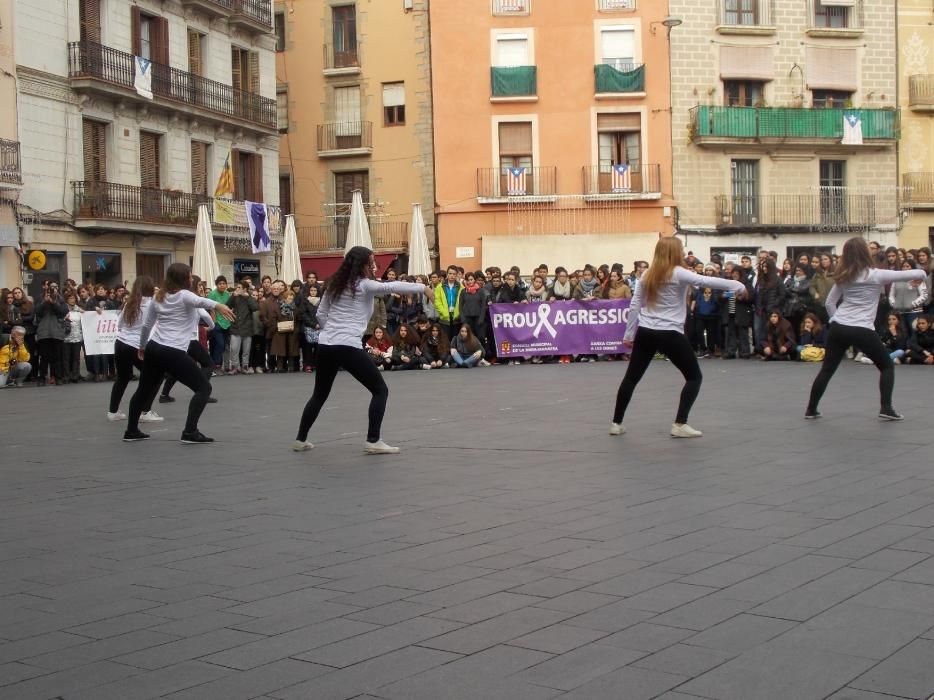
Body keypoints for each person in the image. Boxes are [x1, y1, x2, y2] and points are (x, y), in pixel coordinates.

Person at [293, 246, 429, 454]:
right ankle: (373, 440)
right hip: (347, 345)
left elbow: (321, 313)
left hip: (326, 344)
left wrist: (330, 330)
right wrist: (422, 288)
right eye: (371, 262)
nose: (374, 266)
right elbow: (391, 286)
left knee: (319, 394)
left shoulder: (333, 284)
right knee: (380, 390)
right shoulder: (364, 285)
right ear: (362, 265)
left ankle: (300, 439)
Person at [611, 237, 746, 438]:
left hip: (646, 331)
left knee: (631, 378)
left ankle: (616, 423)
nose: (683, 253)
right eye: (681, 249)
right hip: (670, 333)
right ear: (674, 252)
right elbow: (706, 281)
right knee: (694, 377)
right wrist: (737, 285)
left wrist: (629, 334)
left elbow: (635, 305)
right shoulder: (679, 273)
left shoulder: (647, 274)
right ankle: (680, 423)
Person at [805, 237, 927, 421]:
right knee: (886, 366)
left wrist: (836, 319)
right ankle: (886, 407)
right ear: (865, 253)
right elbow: (918, 273)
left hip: (839, 326)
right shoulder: (876, 274)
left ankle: (811, 409)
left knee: (827, 370)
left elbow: (830, 302)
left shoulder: (843, 276)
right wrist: (921, 277)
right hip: (862, 327)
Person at [125, 263, 234, 443]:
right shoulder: (184, 295)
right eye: (190, 276)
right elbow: (202, 302)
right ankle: (190, 432)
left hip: (154, 347)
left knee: (143, 390)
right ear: (184, 279)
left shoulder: (158, 297)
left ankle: (131, 430)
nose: (192, 278)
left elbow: (147, 325)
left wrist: (142, 346)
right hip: (172, 350)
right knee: (203, 388)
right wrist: (219, 306)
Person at [109, 276, 162, 423]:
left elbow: (119, 324)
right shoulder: (152, 304)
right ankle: (145, 410)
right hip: (136, 346)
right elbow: (151, 327)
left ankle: (113, 411)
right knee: (154, 377)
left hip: (120, 343)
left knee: (122, 378)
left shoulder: (130, 303)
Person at [33, 282, 68, 386]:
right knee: (44, 357)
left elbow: (63, 312)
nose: (53, 290)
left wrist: (53, 303)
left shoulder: (61, 301)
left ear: (58, 289)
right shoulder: (41, 300)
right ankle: (42, 378)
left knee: (57, 357)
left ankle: (58, 377)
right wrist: (45, 302)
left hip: (57, 332)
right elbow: (37, 311)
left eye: (55, 287)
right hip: (44, 333)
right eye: (51, 288)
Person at [228, 281, 258, 374]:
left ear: (245, 289)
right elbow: (227, 305)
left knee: (246, 350)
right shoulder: (235, 297)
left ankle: (245, 366)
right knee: (234, 349)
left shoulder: (249, 297)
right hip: (236, 327)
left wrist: (248, 297)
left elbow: (255, 307)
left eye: (239, 287)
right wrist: (233, 295)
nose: (237, 289)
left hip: (247, 327)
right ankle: (234, 367)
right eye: (237, 287)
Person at [207, 275, 232, 372]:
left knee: (222, 345)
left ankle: (216, 364)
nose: (222, 285)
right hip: (217, 323)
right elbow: (211, 309)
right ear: (216, 285)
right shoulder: (212, 294)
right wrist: (214, 322)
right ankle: (216, 365)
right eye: (220, 284)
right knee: (220, 344)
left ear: (226, 285)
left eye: (223, 283)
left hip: (227, 323)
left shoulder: (227, 295)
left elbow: (229, 308)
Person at [62, 291, 84, 383]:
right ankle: (66, 376)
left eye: (74, 298)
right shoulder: (63, 310)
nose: (72, 300)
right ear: (66, 300)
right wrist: (64, 318)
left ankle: (75, 375)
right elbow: (59, 321)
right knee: (66, 358)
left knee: (76, 358)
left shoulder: (79, 310)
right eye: (70, 298)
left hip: (77, 337)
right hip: (66, 337)